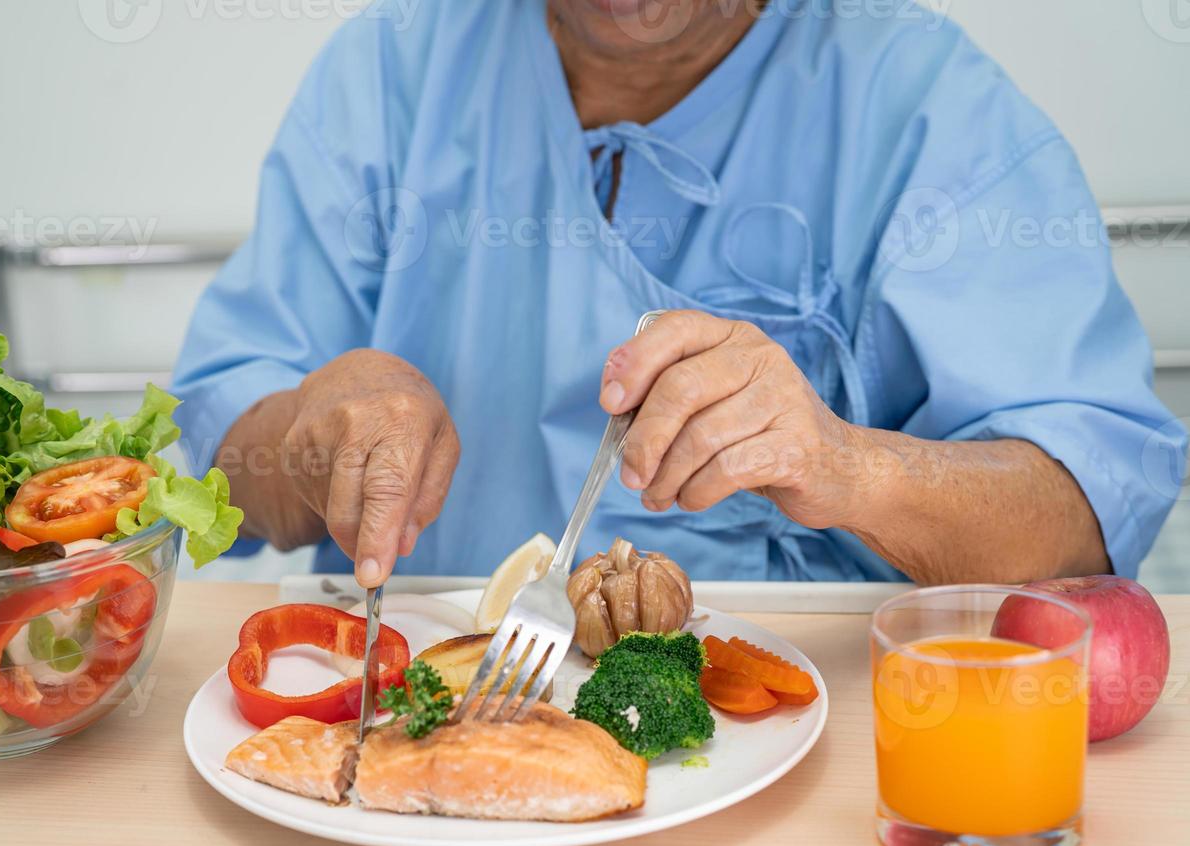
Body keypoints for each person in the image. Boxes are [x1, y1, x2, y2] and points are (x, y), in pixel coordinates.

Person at [172, 0, 1185, 589]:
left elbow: (1084, 515)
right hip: (441, 740)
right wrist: (313, 428)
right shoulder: (393, 69)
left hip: (815, 772)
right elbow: (223, 463)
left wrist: (848, 465)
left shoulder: (928, 110)